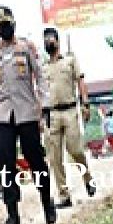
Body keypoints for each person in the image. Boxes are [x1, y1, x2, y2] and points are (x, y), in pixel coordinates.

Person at [0, 6, 56, 224]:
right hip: (4, 115)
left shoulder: (26, 48)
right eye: (1, 25)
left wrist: (44, 105)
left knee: (35, 159)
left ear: (14, 24)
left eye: (8, 23)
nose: (5, 27)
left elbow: (40, 77)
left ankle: (47, 203)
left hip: (27, 112)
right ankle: (12, 215)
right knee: (7, 165)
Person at [41, 26, 96, 208]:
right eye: (46, 39)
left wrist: (85, 104)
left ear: (57, 41)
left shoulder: (70, 60)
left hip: (70, 110)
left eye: (51, 38)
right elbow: (39, 91)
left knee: (75, 150)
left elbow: (80, 81)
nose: (48, 42)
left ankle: (87, 178)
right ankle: (64, 195)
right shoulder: (43, 68)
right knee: (54, 157)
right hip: (51, 114)